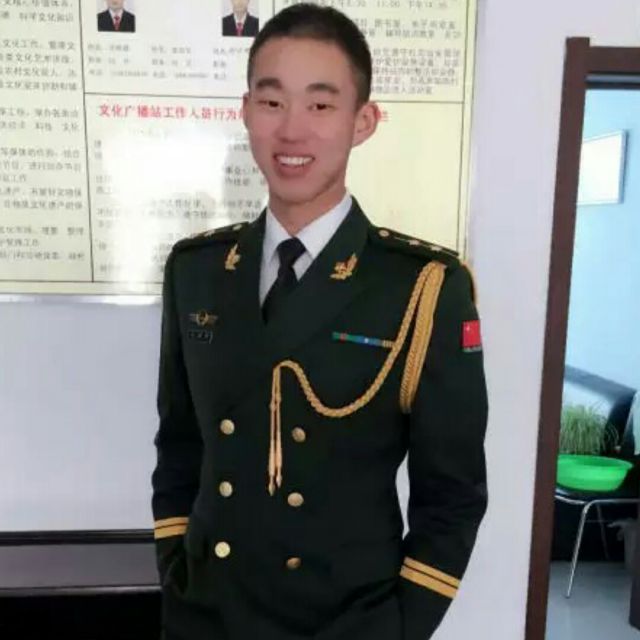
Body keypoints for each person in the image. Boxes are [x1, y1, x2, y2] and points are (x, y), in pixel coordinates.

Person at [151, 4, 488, 640]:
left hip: (346, 624)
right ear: (246, 111)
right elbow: (180, 445)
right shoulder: (196, 269)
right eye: (272, 102)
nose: (292, 130)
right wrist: (175, 567)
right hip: (205, 616)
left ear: (363, 122)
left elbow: (452, 495)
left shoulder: (421, 287)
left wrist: (399, 628)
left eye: (321, 104)